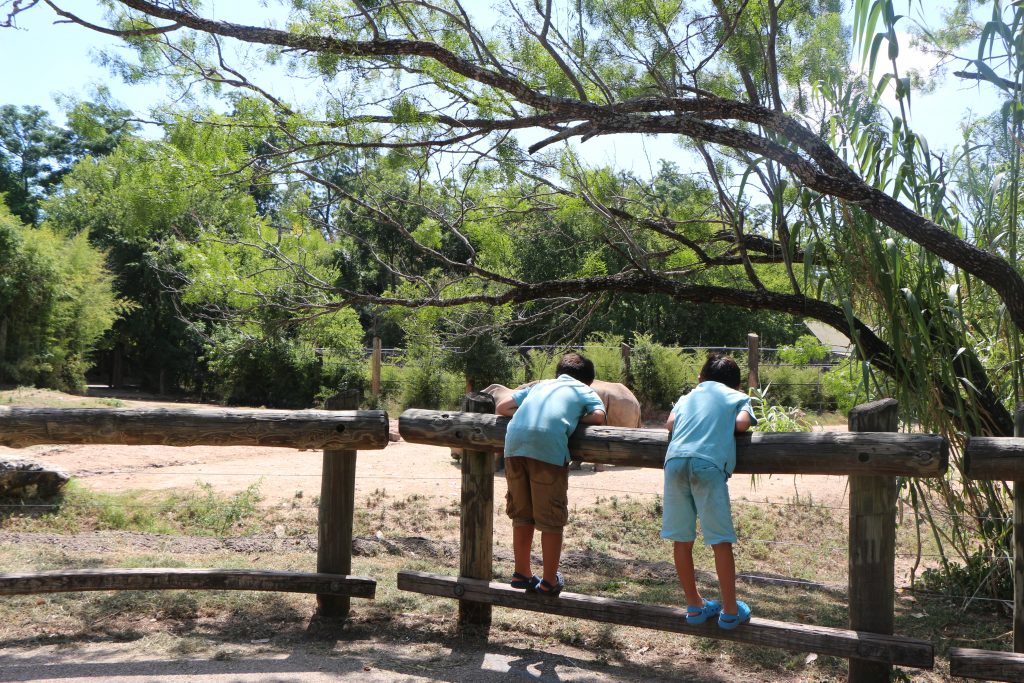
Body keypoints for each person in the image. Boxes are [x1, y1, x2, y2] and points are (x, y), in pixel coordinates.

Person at [495, 352, 607, 596]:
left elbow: (502, 406)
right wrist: (572, 419)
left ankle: (521, 573)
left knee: (522, 514)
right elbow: (599, 416)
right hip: (548, 451)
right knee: (551, 520)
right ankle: (548, 581)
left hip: (513, 448)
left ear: (558, 373)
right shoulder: (583, 389)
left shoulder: (540, 385)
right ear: (589, 380)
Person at [662, 352, 757, 629]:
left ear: (700, 378)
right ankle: (729, 611)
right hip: (708, 466)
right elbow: (741, 423)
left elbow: (670, 424)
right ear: (737, 385)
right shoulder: (737, 398)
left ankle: (694, 606)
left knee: (682, 539)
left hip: (675, 462)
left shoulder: (685, 398)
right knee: (720, 540)